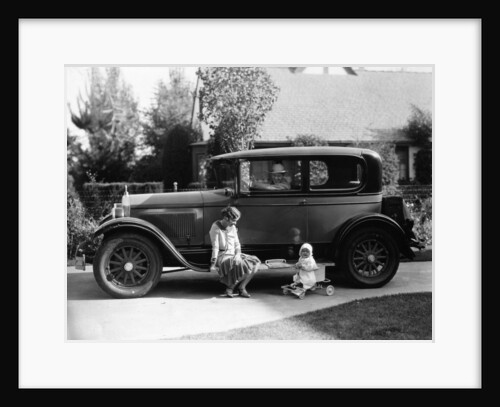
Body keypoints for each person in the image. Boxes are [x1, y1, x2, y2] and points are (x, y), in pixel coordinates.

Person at [209, 206, 261, 298]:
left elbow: (237, 244)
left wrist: (237, 254)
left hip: (234, 255)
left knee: (256, 262)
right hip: (222, 256)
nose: (235, 223)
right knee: (243, 264)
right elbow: (215, 247)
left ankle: (241, 287)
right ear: (226, 218)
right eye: (233, 220)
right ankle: (230, 288)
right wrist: (213, 263)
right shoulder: (215, 227)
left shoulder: (232, 227)